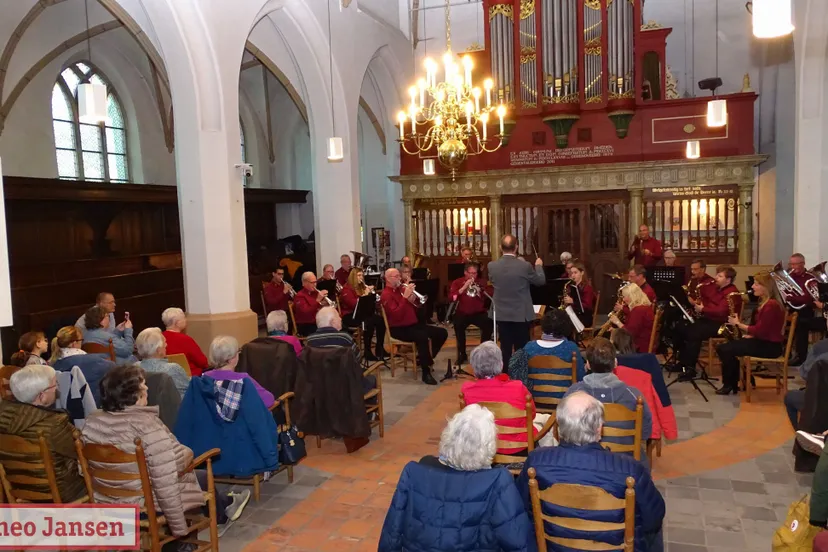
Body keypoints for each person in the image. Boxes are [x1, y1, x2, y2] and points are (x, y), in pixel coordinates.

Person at [81, 365, 250, 537]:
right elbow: (165, 478)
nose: (147, 388)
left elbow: (84, 468)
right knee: (198, 476)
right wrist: (179, 529)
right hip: (144, 503)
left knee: (190, 475)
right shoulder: (147, 426)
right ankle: (188, 540)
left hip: (106, 501)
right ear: (133, 394)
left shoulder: (92, 422)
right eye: (143, 384)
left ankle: (227, 503)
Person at [517, 392, 665, 551]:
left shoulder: (536, 462)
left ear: (558, 427)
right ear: (599, 428)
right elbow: (654, 517)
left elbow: (521, 505)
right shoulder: (630, 469)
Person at [379, 404, 534, 552]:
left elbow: (391, 533)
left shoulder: (413, 472)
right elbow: (519, 542)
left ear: (449, 435)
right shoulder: (498, 481)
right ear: (489, 447)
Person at [0, 365, 86, 502]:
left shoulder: (3, 418)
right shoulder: (54, 423)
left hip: (20, 490)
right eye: (54, 385)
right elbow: (81, 451)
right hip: (61, 493)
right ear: (41, 395)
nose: (57, 389)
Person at [566, 338, 653, 458]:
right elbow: (645, 432)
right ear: (616, 363)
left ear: (588, 365)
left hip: (583, 458)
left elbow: (563, 430)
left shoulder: (573, 393)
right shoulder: (634, 395)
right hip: (625, 460)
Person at [715, 271, 787, 395]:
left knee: (724, 348)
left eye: (757, 284)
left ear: (766, 287)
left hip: (770, 347)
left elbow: (760, 330)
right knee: (727, 347)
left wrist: (738, 324)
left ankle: (730, 384)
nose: (752, 286)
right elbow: (763, 329)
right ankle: (735, 381)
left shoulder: (771, 306)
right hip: (764, 341)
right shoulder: (767, 303)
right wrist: (751, 335)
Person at [461, 342, 537, 455]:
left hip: (483, 448)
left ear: (474, 367)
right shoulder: (518, 387)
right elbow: (532, 415)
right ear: (501, 364)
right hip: (519, 447)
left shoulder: (467, 390)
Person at [671, 265, 742, 380]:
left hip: (722, 324)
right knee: (681, 327)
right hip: (710, 320)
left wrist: (703, 309)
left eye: (720, 276)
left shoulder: (732, 293)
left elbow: (721, 311)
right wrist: (700, 303)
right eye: (717, 275)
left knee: (694, 333)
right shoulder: (716, 288)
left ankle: (690, 368)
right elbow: (710, 302)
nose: (716, 278)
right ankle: (682, 362)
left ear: (728, 280)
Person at [380, 268, 447, 385]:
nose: (399, 278)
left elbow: (418, 309)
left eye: (399, 276)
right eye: (396, 276)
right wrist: (405, 298)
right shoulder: (386, 294)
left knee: (442, 333)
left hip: (413, 325)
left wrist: (414, 300)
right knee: (422, 337)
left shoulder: (401, 289)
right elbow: (396, 315)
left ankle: (425, 358)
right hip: (398, 328)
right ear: (387, 279)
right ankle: (426, 373)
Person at [487, 235, 546, 367]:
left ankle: (505, 375)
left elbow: (495, 281)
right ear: (517, 247)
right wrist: (538, 267)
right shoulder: (524, 266)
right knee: (521, 347)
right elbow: (540, 281)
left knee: (505, 347)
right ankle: (520, 375)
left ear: (500, 247)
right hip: (520, 313)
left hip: (501, 313)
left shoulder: (492, 266)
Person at [508, 309, 585, 402]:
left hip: (533, 400)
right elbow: (580, 378)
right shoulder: (571, 348)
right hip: (564, 401)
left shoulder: (529, 347)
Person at [306, 307, 377, 399]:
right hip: (346, 384)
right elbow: (358, 358)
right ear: (332, 322)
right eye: (338, 317)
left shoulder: (310, 340)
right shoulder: (344, 337)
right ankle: (368, 412)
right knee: (372, 379)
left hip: (321, 385)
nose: (341, 319)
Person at [50, 326, 116, 406]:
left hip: (66, 408)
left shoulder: (54, 365)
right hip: (93, 408)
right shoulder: (94, 361)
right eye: (81, 340)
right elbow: (115, 369)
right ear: (74, 343)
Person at [206, 336, 275, 408]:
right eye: (238, 351)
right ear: (231, 358)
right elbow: (268, 400)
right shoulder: (243, 379)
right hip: (241, 418)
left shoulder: (204, 378)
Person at [449, 263, 494, 365]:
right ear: (465, 272)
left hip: (478, 313)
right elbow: (451, 298)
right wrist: (463, 287)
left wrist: (480, 292)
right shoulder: (457, 282)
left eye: (475, 273)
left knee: (489, 323)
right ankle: (462, 354)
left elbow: (492, 293)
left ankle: (483, 353)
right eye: (470, 273)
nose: (473, 276)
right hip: (463, 312)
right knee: (458, 325)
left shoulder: (482, 281)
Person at [339, 267, 387, 362]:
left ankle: (379, 348)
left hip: (362, 314)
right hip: (350, 315)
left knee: (380, 320)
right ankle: (367, 351)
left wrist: (373, 297)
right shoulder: (346, 289)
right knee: (368, 322)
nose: (361, 278)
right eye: (359, 275)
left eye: (362, 275)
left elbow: (369, 305)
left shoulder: (362, 287)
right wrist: (365, 295)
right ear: (353, 277)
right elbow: (353, 304)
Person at [787, 253, 826, 365]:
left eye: (796, 264)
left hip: (806, 309)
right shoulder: (789, 277)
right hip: (791, 307)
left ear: (803, 264)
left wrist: (793, 298)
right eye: (792, 264)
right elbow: (785, 293)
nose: (793, 267)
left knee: (801, 322)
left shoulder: (810, 278)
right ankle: (785, 352)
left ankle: (801, 356)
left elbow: (810, 298)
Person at [785, 334, 828, 429]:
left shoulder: (819, 347)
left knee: (790, 397)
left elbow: (805, 374)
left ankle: (802, 436)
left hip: (821, 404)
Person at [135, 328, 190, 396]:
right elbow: (190, 390)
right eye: (164, 342)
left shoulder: (134, 368)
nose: (166, 345)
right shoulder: (173, 369)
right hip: (172, 406)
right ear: (158, 350)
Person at [161, 307, 209, 376]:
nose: (186, 320)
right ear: (177, 323)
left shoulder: (159, 338)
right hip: (190, 376)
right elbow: (203, 362)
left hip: (168, 376)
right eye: (183, 318)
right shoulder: (185, 339)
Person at [609, 283, 655, 353]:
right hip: (642, 343)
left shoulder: (638, 310)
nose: (623, 300)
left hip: (638, 347)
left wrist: (617, 322)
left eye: (624, 297)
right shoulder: (644, 307)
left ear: (632, 296)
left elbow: (629, 334)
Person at [293, 271, 329, 336]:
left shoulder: (315, 293)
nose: (315, 284)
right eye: (312, 282)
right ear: (304, 283)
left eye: (315, 282)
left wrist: (324, 303)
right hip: (306, 325)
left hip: (317, 322)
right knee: (326, 332)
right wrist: (318, 300)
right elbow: (306, 312)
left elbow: (318, 308)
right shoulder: (299, 296)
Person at [566, 261, 596, 328]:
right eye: (571, 273)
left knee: (564, 322)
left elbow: (587, 306)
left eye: (575, 273)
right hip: (574, 315)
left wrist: (573, 301)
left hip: (584, 317)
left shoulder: (587, 288)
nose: (573, 275)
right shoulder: (571, 287)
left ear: (582, 273)